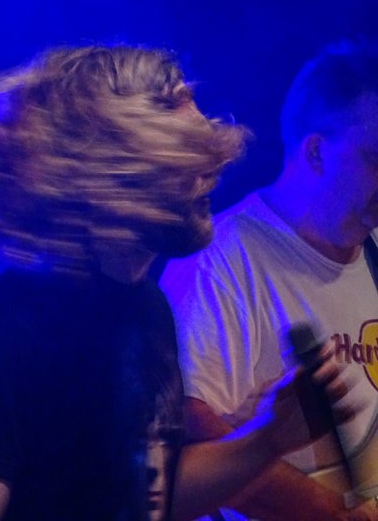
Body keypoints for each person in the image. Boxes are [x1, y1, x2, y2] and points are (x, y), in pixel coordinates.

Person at [0, 45, 349, 521]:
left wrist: (269, 438)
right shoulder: (3, 332)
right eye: (187, 163)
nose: (211, 177)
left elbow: (146, 497)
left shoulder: (147, 308)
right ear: (118, 172)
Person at [161, 40, 378, 521]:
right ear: (317, 152)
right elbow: (190, 429)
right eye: (375, 158)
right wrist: (333, 513)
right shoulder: (217, 263)